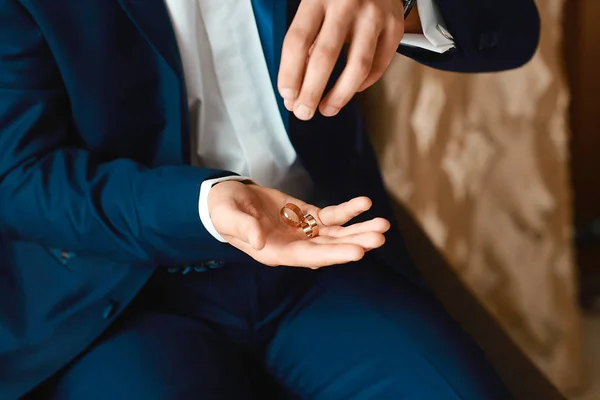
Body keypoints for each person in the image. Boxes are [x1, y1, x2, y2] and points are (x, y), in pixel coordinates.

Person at [0, 0, 540, 398]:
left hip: (323, 255)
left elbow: (513, 28)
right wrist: (204, 206)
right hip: (116, 294)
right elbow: (20, 174)